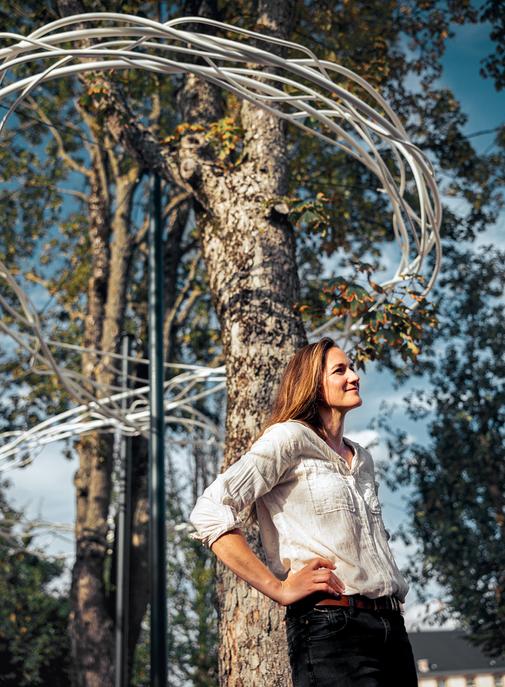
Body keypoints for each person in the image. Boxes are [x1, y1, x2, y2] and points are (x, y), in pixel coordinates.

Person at [189, 337, 418, 686]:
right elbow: (209, 509)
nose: (354, 376)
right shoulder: (288, 439)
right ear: (313, 383)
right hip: (331, 627)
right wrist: (278, 588)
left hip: (390, 629)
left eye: (352, 367)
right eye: (340, 370)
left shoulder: (362, 458)